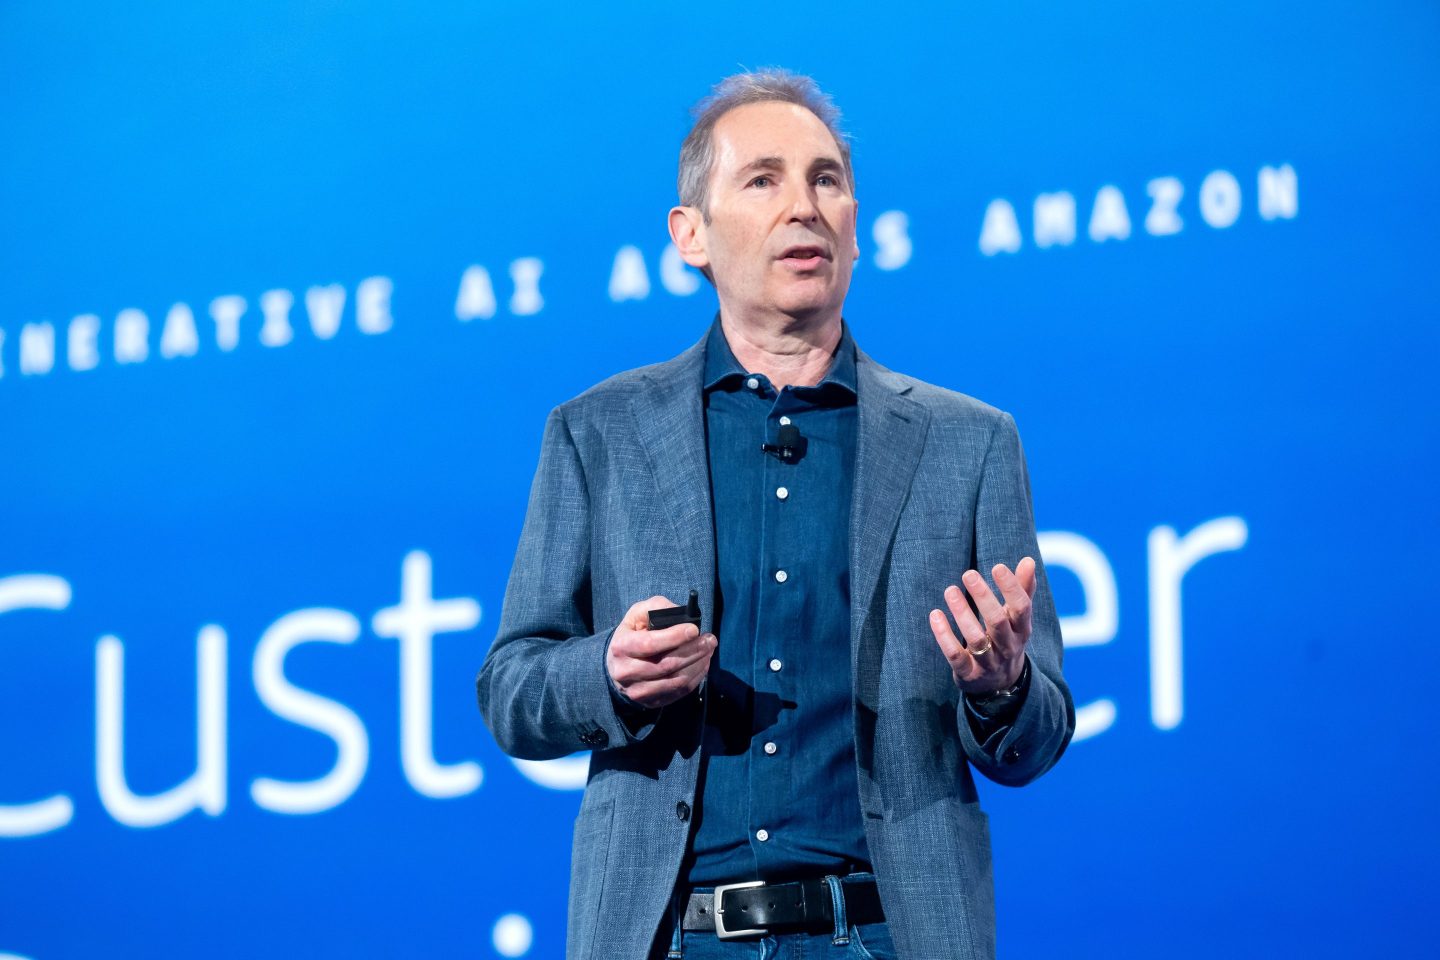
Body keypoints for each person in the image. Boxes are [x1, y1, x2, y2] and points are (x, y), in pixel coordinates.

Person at [476, 68, 1074, 960]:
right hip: (672, 938)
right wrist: (611, 671)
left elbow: (1037, 739)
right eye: (764, 179)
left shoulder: (969, 443)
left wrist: (1001, 688)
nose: (805, 205)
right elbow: (512, 689)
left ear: (857, 227)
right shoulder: (596, 432)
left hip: (886, 935)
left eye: (826, 179)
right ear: (691, 236)